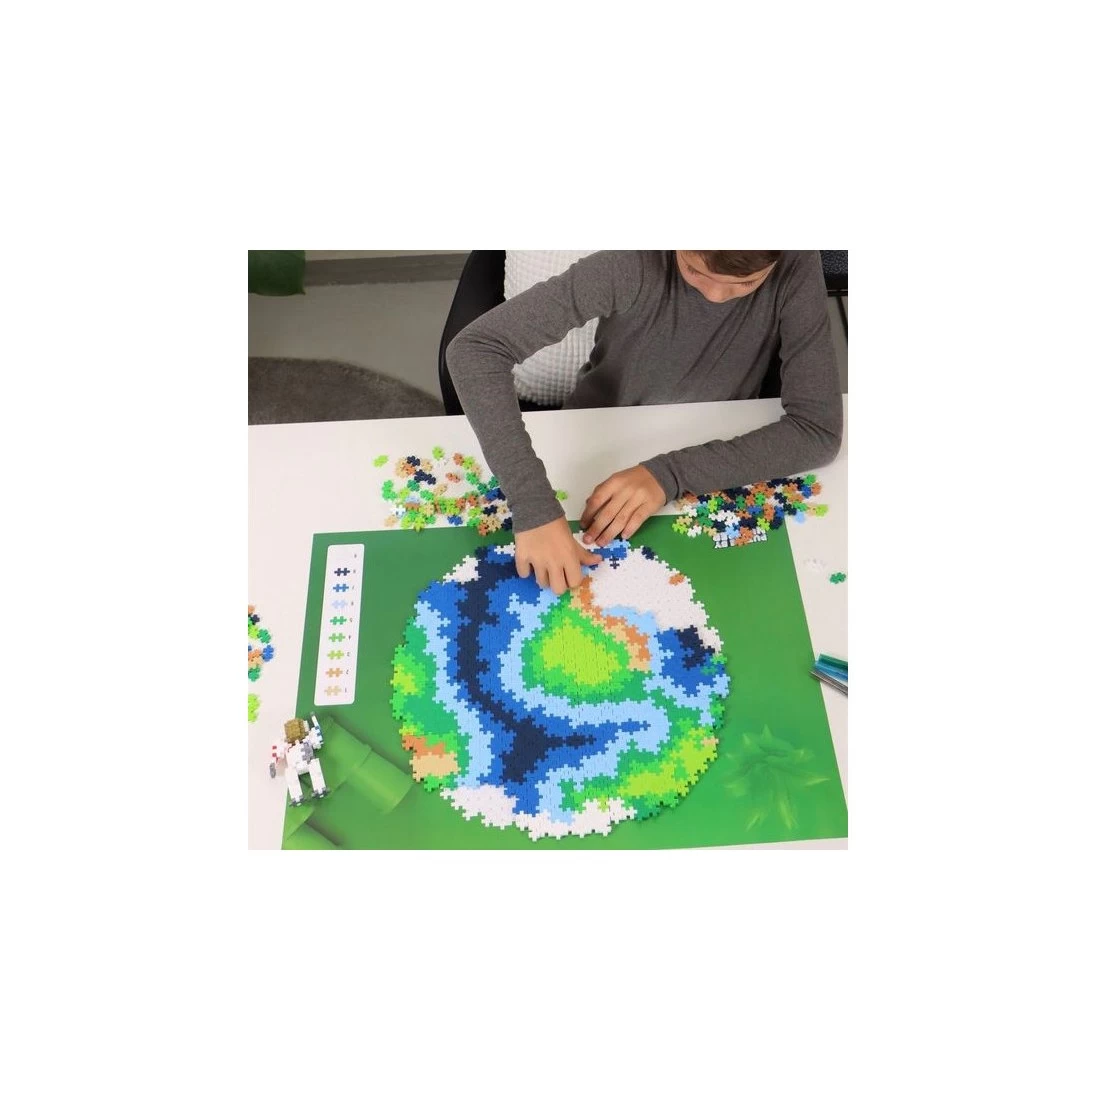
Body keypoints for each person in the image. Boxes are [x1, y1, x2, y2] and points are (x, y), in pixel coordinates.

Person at [446, 250, 842, 595]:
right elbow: (475, 350)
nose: (715, 295)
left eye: (746, 283)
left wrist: (668, 474)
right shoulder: (632, 260)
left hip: (722, 457)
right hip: (600, 443)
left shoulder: (795, 260)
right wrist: (534, 508)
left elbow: (818, 430)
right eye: (695, 271)